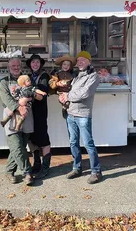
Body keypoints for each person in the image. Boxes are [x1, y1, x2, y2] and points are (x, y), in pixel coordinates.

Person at [59, 51, 102, 184]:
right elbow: (72, 91)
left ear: (89, 61)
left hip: (83, 114)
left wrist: (68, 96)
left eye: (83, 60)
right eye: (78, 60)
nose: (80, 62)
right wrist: (63, 97)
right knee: (73, 142)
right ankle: (77, 167)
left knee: (88, 143)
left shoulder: (93, 76)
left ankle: (96, 171)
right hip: (70, 113)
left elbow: (85, 93)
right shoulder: (77, 76)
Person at [0, 58, 34, 186]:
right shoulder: (3, 82)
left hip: (26, 117)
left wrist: (28, 100)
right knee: (16, 147)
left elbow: (32, 94)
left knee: (21, 147)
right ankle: (27, 172)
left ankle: (9, 171)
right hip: (11, 118)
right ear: (8, 67)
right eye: (13, 65)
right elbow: (6, 99)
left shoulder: (26, 79)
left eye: (18, 65)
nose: (16, 67)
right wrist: (19, 107)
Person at [26, 54, 51, 179]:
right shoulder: (28, 77)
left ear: (40, 64)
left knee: (43, 139)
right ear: (30, 64)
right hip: (30, 112)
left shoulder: (44, 76)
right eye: (33, 62)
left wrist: (30, 90)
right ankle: (37, 164)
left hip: (40, 113)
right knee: (32, 138)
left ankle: (46, 168)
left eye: (37, 62)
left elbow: (43, 92)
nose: (35, 64)